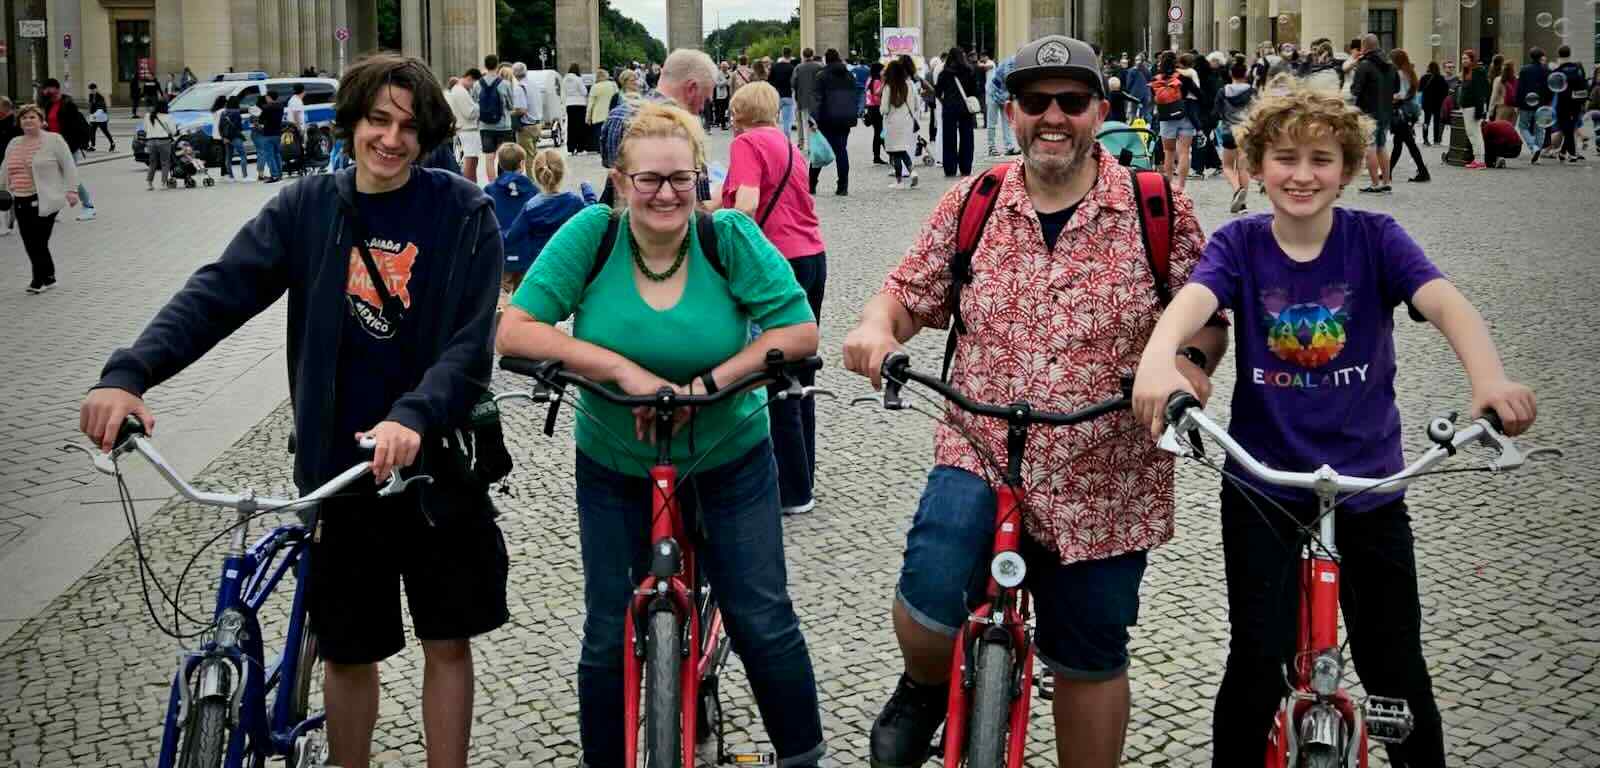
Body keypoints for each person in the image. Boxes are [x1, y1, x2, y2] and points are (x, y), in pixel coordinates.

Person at [79, 53, 508, 768]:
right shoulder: (306, 207)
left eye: (408, 126)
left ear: (426, 134)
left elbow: (470, 347)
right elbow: (219, 292)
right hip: (338, 473)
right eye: (378, 119)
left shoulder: (464, 213)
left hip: (434, 472)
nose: (392, 139)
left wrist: (413, 415)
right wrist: (130, 373)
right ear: (351, 121)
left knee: (447, 640)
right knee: (346, 651)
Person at [1130, 76, 1537, 768]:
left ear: (1347, 169)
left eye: (1321, 159)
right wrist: (1157, 361)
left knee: (1398, 672)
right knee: (1256, 666)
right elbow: (1191, 301)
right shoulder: (1240, 246)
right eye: (1285, 157)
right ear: (1256, 167)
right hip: (1264, 488)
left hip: (1371, 485)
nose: (1302, 174)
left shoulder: (1375, 239)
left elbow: (1447, 305)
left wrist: (1489, 379)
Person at [843, 35, 1225, 768]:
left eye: (1072, 102)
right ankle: (923, 687)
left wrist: (1188, 363)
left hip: (1106, 468)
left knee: (1089, 658)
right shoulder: (974, 200)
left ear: (1100, 112)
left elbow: (1205, 316)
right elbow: (904, 293)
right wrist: (873, 328)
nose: (1054, 117)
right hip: (978, 446)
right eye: (1035, 101)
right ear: (1011, 113)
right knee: (928, 595)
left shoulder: (1157, 207)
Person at [495, 101, 826, 768]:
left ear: (701, 179)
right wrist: (622, 373)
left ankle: (803, 758)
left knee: (762, 617)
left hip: (727, 453)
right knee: (606, 630)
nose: (666, 193)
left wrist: (707, 384)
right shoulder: (591, 235)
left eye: (681, 178)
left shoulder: (726, 236)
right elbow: (516, 328)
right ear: (619, 181)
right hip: (616, 461)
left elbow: (798, 330)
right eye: (648, 180)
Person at [722, 81, 828, 514]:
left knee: (774, 369)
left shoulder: (746, 143)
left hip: (775, 264)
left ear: (741, 114)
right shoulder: (787, 145)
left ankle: (789, 490)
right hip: (811, 256)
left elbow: (746, 206)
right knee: (802, 370)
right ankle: (804, 472)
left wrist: (719, 228)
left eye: (731, 114)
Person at [597, 48, 716, 204]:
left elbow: (611, 170)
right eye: (705, 99)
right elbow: (696, 204)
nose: (702, 108)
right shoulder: (684, 127)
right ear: (692, 88)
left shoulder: (616, 117)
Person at [3, 104, 80, 293]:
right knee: (30, 241)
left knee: (38, 241)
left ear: (41, 121)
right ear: (19, 122)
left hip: (46, 200)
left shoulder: (54, 140)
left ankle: (38, 280)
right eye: (24, 118)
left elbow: (69, 166)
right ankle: (49, 276)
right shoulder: (14, 143)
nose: (28, 121)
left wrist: (72, 190)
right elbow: (4, 169)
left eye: (32, 117)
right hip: (20, 199)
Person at [502, 147, 595, 292]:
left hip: (540, 271)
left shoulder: (530, 208)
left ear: (536, 176)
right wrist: (588, 190)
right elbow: (591, 213)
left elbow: (511, 238)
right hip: (569, 270)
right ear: (562, 173)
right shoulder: (573, 202)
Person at [37, 78, 96, 221]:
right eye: (44, 90)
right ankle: (53, 209)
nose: (45, 92)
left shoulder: (68, 105)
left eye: (47, 89)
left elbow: (78, 126)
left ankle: (88, 206)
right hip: (53, 147)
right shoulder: (48, 104)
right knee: (54, 178)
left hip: (69, 147)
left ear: (56, 89)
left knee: (72, 178)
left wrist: (77, 145)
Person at [1350, 33, 1395, 193]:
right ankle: (1386, 182)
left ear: (1364, 46)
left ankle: (1375, 183)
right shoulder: (1389, 64)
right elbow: (1395, 88)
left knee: (1370, 147)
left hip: (1368, 112)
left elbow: (1355, 89)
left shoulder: (1365, 65)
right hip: (1386, 110)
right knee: (1382, 146)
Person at [810, 49, 858, 196]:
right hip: (845, 118)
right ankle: (843, 185)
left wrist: (813, 118)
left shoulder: (821, 76)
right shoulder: (849, 75)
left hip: (826, 118)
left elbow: (817, 98)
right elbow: (854, 96)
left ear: (826, 60)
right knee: (841, 151)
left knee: (819, 151)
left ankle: (811, 183)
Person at [1152, 51, 1202, 192]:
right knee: (1184, 152)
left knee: (1168, 151)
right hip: (1184, 115)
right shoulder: (1183, 77)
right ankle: (1181, 185)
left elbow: (1154, 97)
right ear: (1176, 62)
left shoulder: (1156, 78)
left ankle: (1168, 185)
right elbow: (1199, 94)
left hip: (1166, 117)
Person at [485, 143, 536, 280]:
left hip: (500, 253)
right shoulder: (533, 190)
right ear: (522, 164)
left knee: (502, 297)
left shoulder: (489, 190)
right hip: (526, 253)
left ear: (500, 165)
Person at [1215, 59, 1256, 213]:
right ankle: (1243, 203)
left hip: (1228, 131)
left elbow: (1217, 112)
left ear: (1231, 74)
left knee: (1227, 166)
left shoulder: (1223, 91)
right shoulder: (1252, 91)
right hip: (1245, 131)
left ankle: (1237, 189)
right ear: (1246, 74)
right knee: (1243, 167)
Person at [1386, 48, 1429, 184]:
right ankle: (1389, 173)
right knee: (1400, 144)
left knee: (1408, 144)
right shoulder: (1408, 72)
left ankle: (1422, 172)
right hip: (1408, 112)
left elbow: (1400, 95)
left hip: (1401, 113)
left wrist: (1389, 98)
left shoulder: (1399, 74)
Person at [936, 46, 979, 178]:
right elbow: (974, 91)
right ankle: (966, 167)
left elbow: (937, 92)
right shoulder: (969, 71)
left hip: (949, 108)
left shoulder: (944, 73)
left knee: (949, 138)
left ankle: (950, 168)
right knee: (967, 137)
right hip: (965, 109)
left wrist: (945, 101)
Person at [881, 59, 923, 189]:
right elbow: (916, 104)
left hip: (893, 123)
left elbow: (885, 109)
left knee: (895, 152)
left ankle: (899, 181)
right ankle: (912, 171)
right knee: (903, 150)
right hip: (907, 122)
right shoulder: (909, 84)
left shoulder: (888, 87)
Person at [474, 55, 516, 171]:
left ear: (485, 66)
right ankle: (504, 181)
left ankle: (492, 185)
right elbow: (511, 106)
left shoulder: (477, 84)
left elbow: (474, 103)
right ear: (497, 65)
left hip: (485, 126)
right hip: (503, 126)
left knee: (489, 158)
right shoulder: (505, 84)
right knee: (505, 157)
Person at [1550, 46, 1589, 163]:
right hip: (1576, 102)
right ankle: (1562, 152)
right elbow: (1583, 85)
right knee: (1570, 127)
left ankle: (1572, 154)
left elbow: (1553, 86)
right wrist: (1583, 101)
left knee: (1566, 128)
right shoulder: (1577, 68)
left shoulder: (1558, 70)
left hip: (1563, 102)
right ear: (1570, 54)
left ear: (1558, 54)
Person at [1515, 48, 1551, 163]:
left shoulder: (1524, 69)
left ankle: (1533, 147)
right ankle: (1538, 155)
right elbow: (1549, 88)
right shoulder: (1546, 70)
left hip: (1526, 104)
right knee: (1540, 129)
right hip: (1542, 104)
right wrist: (1548, 102)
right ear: (1541, 57)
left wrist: (1518, 104)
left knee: (1523, 127)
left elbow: (1520, 88)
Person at [1458, 50, 1491, 169]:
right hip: (1467, 107)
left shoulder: (1478, 72)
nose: (1464, 61)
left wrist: (1479, 110)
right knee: (1471, 133)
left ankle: (1481, 160)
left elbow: (1481, 92)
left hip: (1473, 107)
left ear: (1472, 59)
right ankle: (1477, 159)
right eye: (1462, 59)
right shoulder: (1467, 72)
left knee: (1475, 133)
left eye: (1466, 58)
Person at [448, 69, 482, 182]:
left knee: (472, 162)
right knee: (470, 163)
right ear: (469, 78)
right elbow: (470, 113)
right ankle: (469, 186)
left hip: (466, 131)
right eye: (473, 83)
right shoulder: (460, 91)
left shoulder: (460, 90)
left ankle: (471, 185)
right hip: (467, 131)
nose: (473, 86)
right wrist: (479, 106)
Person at [251, 89, 287, 182]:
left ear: (269, 97)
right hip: (278, 132)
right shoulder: (281, 106)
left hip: (268, 133)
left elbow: (261, 120)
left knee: (270, 156)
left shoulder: (266, 107)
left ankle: (274, 175)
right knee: (277, 154)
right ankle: (279, 174)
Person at [142, 99, 178, 190]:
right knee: (165, 163)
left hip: (151, 142)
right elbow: (173, 131)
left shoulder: (147, 116)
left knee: (152, 163)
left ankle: (149, 184)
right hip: (164, 141)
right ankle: (163, 183)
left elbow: (145, 130)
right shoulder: (168, 117)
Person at [511, 62, 541, 166]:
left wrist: (510, 113)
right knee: (535, 155)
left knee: (527, 157)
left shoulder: (519, 87)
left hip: (526, 127)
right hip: (537, 124)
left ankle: (532, 181)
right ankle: (539, 178)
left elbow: (522, 110)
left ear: (514, 73)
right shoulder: (534, 85)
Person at [987, 55, 1018, 155]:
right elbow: (1007, 77)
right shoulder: (1011, 62)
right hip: (994, 93)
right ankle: (991, 147)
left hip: (1005, 95)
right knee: (992, 122)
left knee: (1007, 122)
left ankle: (1009, 147)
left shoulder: (1018, 63)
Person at [794, 49, 823, 150]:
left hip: (803, 99)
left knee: (806, 122)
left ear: (803, 55)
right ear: (813, 55)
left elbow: (794, 83)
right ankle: (818, 144)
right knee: (817, 122)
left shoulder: (798, 67)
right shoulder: (819, 66)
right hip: (817, 99)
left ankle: (808, 146)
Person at [0, 97, 18, 238]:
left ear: (5, 109)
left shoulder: (15, 124)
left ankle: (5, 224)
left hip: (9, 163)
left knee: (5, 193)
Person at [1419, 60, 1448, 146]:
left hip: (1427, 104)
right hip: (1438, 104)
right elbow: (1445, 91)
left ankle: (1425, 139)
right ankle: (1436, 140)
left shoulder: (1424, 77)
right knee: (1436, 122)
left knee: (1426, 121)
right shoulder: (1441, 78)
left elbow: (1420, 89)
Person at [586, 68, 618, 146]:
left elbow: (590, 104)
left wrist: (588, 118)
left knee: (599, 136)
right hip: (611, 114)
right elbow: (618, 98)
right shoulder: (613, 85)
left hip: (598, 116)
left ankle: (601, 150)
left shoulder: (595, 87)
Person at [563, 62, 589, 154]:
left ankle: (571, 147)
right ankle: (580, 147)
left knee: (571, 126)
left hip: (569, 103)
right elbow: (584, 92)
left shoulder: (565, 79)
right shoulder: (578, 79)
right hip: (579, 103)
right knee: (580, 126)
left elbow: (564, 92)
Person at [771, 48, 797, 137]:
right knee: (787, 121)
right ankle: (787, 140)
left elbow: (770, 80)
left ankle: (774, 137)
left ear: (782, 53)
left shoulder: (774, 66)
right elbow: (794, 82)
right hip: (787, 95)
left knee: (773, 119)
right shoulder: (792, 68)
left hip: (776, 95)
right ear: (790, 55)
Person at [865, 61, 886, 164]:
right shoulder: (877, 81)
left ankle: (877, 155)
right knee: (880, 132)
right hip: (876, 109)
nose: (884, 71)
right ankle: (887, 153)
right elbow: (877, 96)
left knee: (878, 132)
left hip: (870, 109)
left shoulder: (869, 79)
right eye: (882, 69)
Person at [86, 84, 115, 151]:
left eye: (93, 89)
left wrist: (94, 115)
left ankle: (112, 143)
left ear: (96, 89)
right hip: (94, 117)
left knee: (105, 131)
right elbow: (91, 106)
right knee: (92, 131)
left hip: (101, 117)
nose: (92, 91)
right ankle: (92, 146)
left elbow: (101, 108)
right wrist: (91, 115)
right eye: (91, 90)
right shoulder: (90, 96)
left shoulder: (100, 97)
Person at [1489, 59, 1518, 124]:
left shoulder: (1498, 80)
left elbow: (1494, 97)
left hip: (1502, 108)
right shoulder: (1516, 79)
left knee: (1499, 130)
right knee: (1510, 131)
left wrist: (1490, 111)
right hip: (1514, 109)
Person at [713, 61, 733, 130]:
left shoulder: (729, 73)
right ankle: (723, 125)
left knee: (728, 109)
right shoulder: (718, 74)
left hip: (729, 93)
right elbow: (718, 84)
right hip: (721, 95)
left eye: (726, 67)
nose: (726, 69)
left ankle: (729, 123)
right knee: (722, 110)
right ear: (722, 67)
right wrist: (726, 80)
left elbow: (731, 82)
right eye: (724, 67)